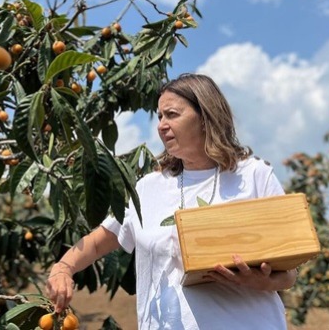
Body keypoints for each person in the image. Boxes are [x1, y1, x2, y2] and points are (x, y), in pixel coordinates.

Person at [45, 73, 297, 329]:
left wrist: (261, 281)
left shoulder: (253, 175)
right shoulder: (148, 188)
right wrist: (63, 268)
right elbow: (100, 242)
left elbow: (289, 271)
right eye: (160, 116)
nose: (161, 125)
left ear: (205, 118)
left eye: (172, 114)